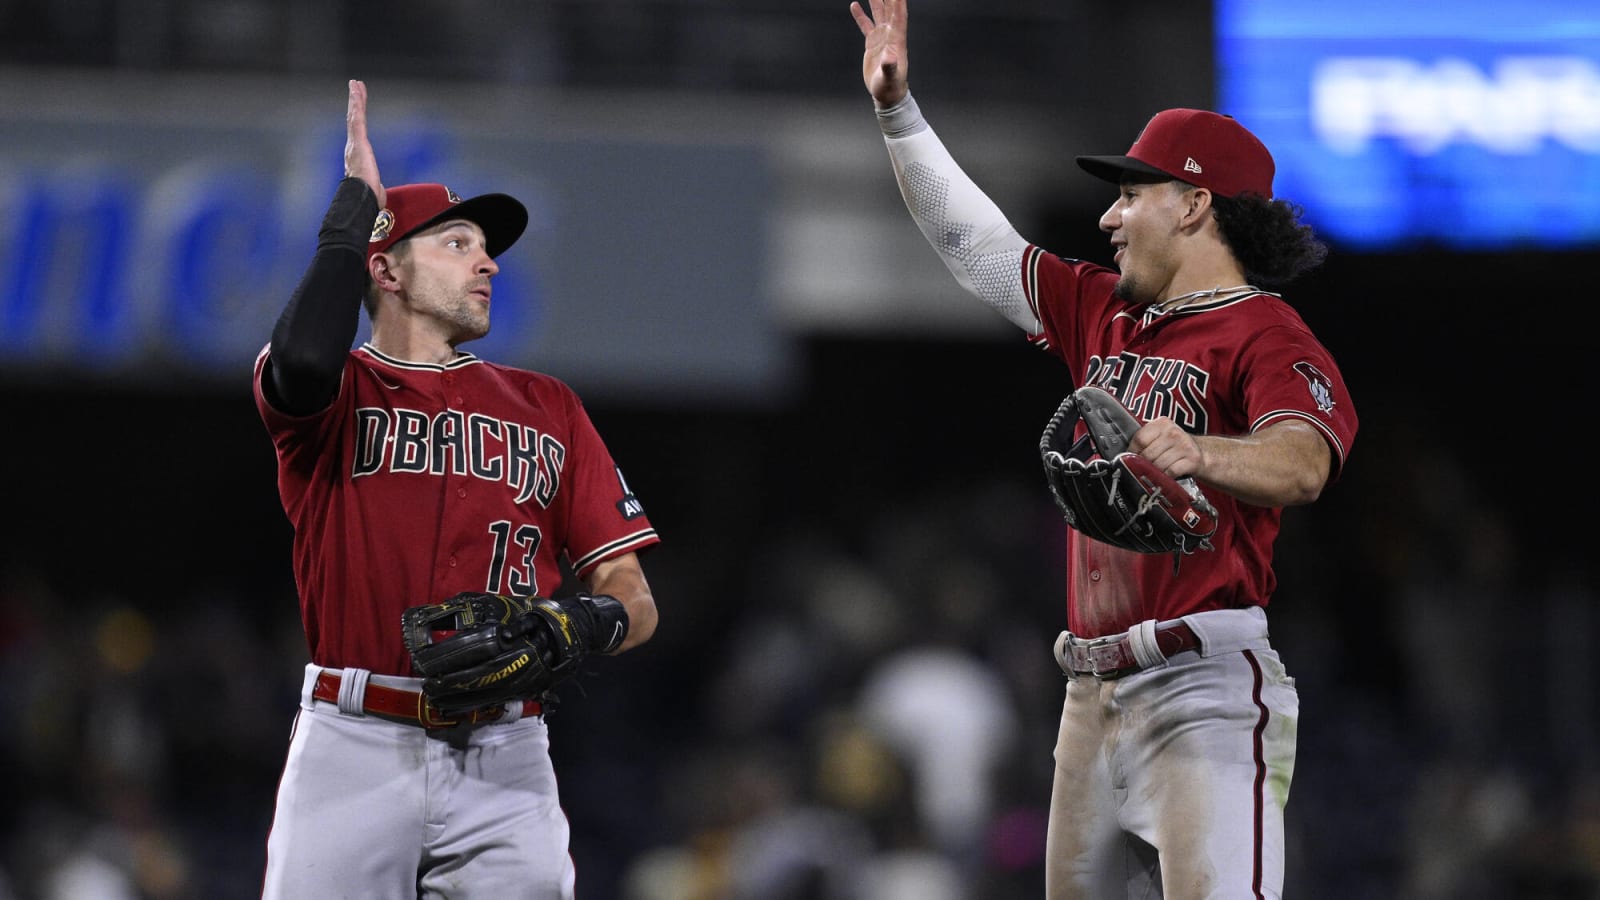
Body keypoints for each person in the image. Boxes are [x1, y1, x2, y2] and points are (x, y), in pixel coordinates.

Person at [850, 1, 1359, 897]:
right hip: (1089, 693)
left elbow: (1303, 462)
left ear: (1196, 202)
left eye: (1131, 194)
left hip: (1202, 684)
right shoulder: (1106, 312)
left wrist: (1202, 451)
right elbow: (977, 249)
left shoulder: (1266, 333)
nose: (1109, 218)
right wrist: (899, 113)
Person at [251, 79, 661, 898]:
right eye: (458, 242)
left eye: (486, 247)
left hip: (506, 758)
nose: (488, 261)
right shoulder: (338, 393)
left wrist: (570, 627)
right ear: (387, 269)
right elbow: (300, 361)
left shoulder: (547, 406)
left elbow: (635, 597)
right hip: (353, 742)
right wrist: (351, 212)